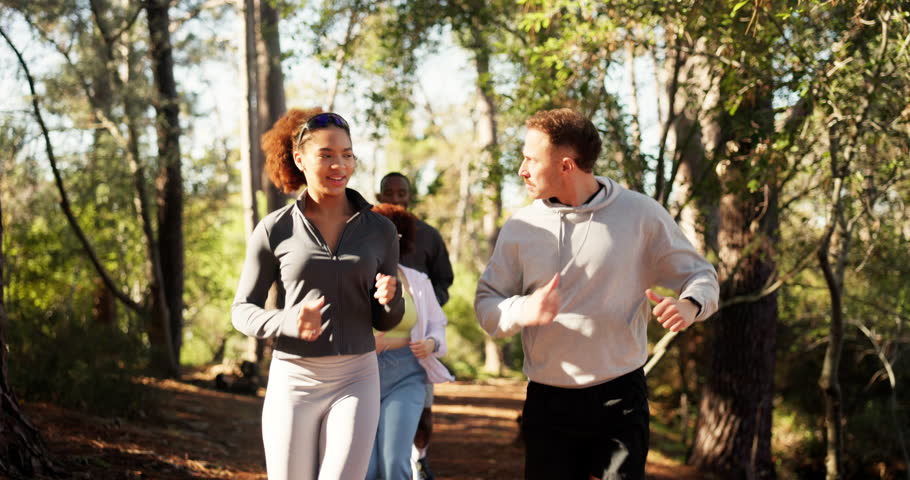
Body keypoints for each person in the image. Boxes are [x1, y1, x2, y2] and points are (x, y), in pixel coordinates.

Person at [474, 108, 719, 480]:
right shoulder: (521, 226)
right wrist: (524, 309)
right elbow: (486, 306)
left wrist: (690, 304)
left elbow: (702, 275)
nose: (522, 170)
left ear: (566, 166)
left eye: (530, 159)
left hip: (619, 399)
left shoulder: (640, 215)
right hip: (548, 401)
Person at [232, 109, 404, 480]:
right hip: (293, 379)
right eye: (326, 155)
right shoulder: (274, 229)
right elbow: (241, 310)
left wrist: (392, 299)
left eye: (346, 154)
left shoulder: (380, 230)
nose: (339, 164)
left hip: (356, 377)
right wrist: (285, 321)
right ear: (300, 159)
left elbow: (386, 319)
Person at [365, 203, 454, 480]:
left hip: (407, 375)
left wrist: (431, 342)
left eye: (394, 237)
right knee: (365, 468)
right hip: (360, 376)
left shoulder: (418, 280)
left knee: (394, 462)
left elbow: (437, 324)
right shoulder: (354, 278)